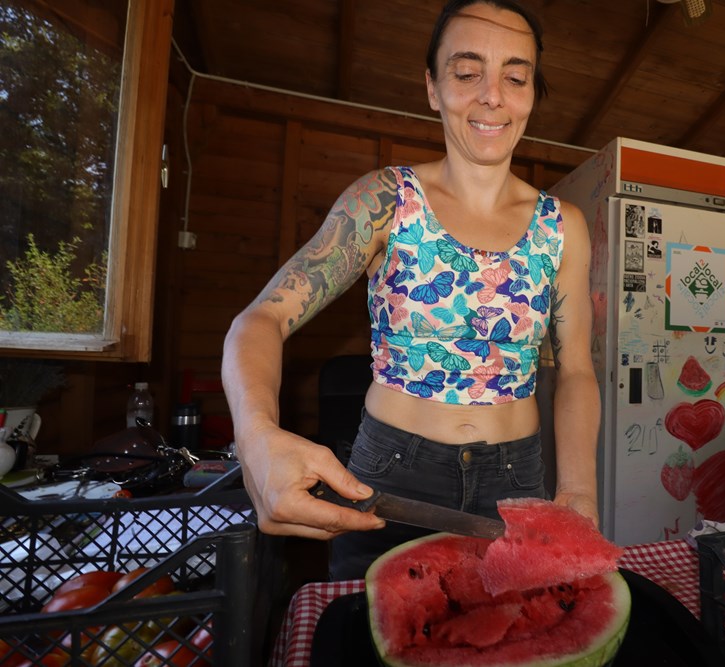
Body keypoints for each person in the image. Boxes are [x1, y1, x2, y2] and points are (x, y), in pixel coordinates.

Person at [221, 0, 600, 579]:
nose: (492, 96)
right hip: (394, 478)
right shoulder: (383, 201)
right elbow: (259, 321)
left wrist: (578, 488)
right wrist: (256, 436)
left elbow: (575, 371)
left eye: (515, 77)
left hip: (517, 479)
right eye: (467, 72)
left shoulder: (563, 227)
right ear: (432, 88)